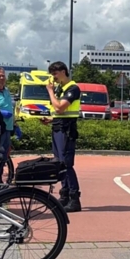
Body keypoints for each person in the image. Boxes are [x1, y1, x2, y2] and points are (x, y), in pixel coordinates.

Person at [45, 61, 82, 212]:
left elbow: (60, 107)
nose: (53, 77)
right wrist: (50, 119)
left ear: (63, 71)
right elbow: (57, 111)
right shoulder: (61, 88)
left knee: (66, 164)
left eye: (55, 73)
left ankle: (74, 198)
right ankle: (64, 194)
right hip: (58, 127)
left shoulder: (73, 88)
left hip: (66, 130)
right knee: (59, 164)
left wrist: (50, 92)